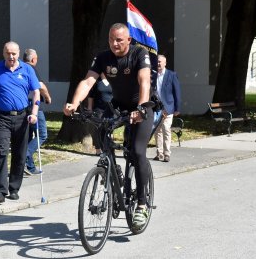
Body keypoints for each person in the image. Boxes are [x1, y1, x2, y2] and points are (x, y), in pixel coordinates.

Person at [63, 23, 153, 229]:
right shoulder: (103, 57)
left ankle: (141, 204)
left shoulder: (140, 54)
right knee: (101, 129)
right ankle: (113, 170)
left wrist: (141, 108)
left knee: (138, 153)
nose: (114, 43)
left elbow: (144, 81)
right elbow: (87, 82)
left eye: (119, 40)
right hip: (119, 107)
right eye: (111, 39)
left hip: (143, 106)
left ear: (128, 40)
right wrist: (74, 103)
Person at [0, 41, 40, 203]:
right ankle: (0, 191)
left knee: (19, 154)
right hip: (1, 117)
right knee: (2, 152)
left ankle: (14, 188)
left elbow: (36, 93)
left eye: (14, 53)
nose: (11, 57)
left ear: (18, 53)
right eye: (8, 53)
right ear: (3, 53)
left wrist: (34, 113)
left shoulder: (27, 70)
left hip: (22, 117)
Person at [23, 48, 52, 175]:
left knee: (28, 135)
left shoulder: (20, 67)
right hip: (33, 104)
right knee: (42, 134)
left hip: (22, 105)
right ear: (34, 59)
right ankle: (24, 156)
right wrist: (47, 97)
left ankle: (29, 166)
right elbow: (40, 86)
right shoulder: (31, 68)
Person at [153, 54, 181, 162]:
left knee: (166, 129)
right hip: (156, 108)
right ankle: (159, 153)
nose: (158, 63)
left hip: (168, 107)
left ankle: (167, 153)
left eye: (160, 61)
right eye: (157, 61)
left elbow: (177, 92)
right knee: (157, 131)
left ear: (165, 63)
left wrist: (177, 108)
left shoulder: (171, 75)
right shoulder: (153, 75)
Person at [87, 75, 113, 155]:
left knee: (110, 129)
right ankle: (98, 149)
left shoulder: (113, 81)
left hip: (111, 110)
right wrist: (89, 108)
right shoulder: (96, 82)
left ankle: (109, 149)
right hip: (99, 109)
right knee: (98, 129)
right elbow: (91, 96)